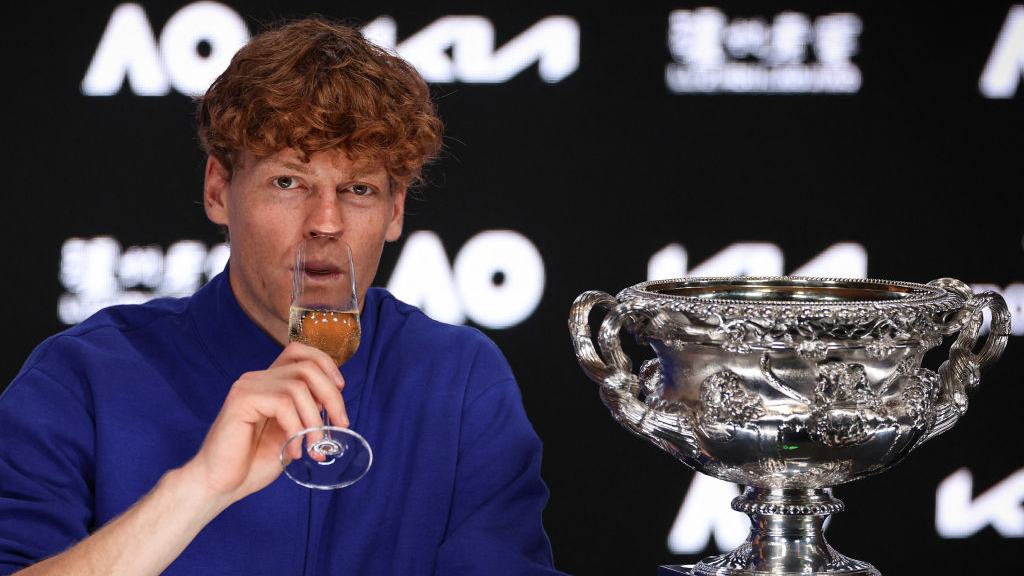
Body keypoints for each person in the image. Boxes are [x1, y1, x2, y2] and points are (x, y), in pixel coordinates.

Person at [0, 18, 563, 575]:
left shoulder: (459, 381)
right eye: (288, 182)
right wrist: (200, 487)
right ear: (218, 190)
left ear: (395, 211)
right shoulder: (82, 377)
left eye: (359, 189)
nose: (326, 222)